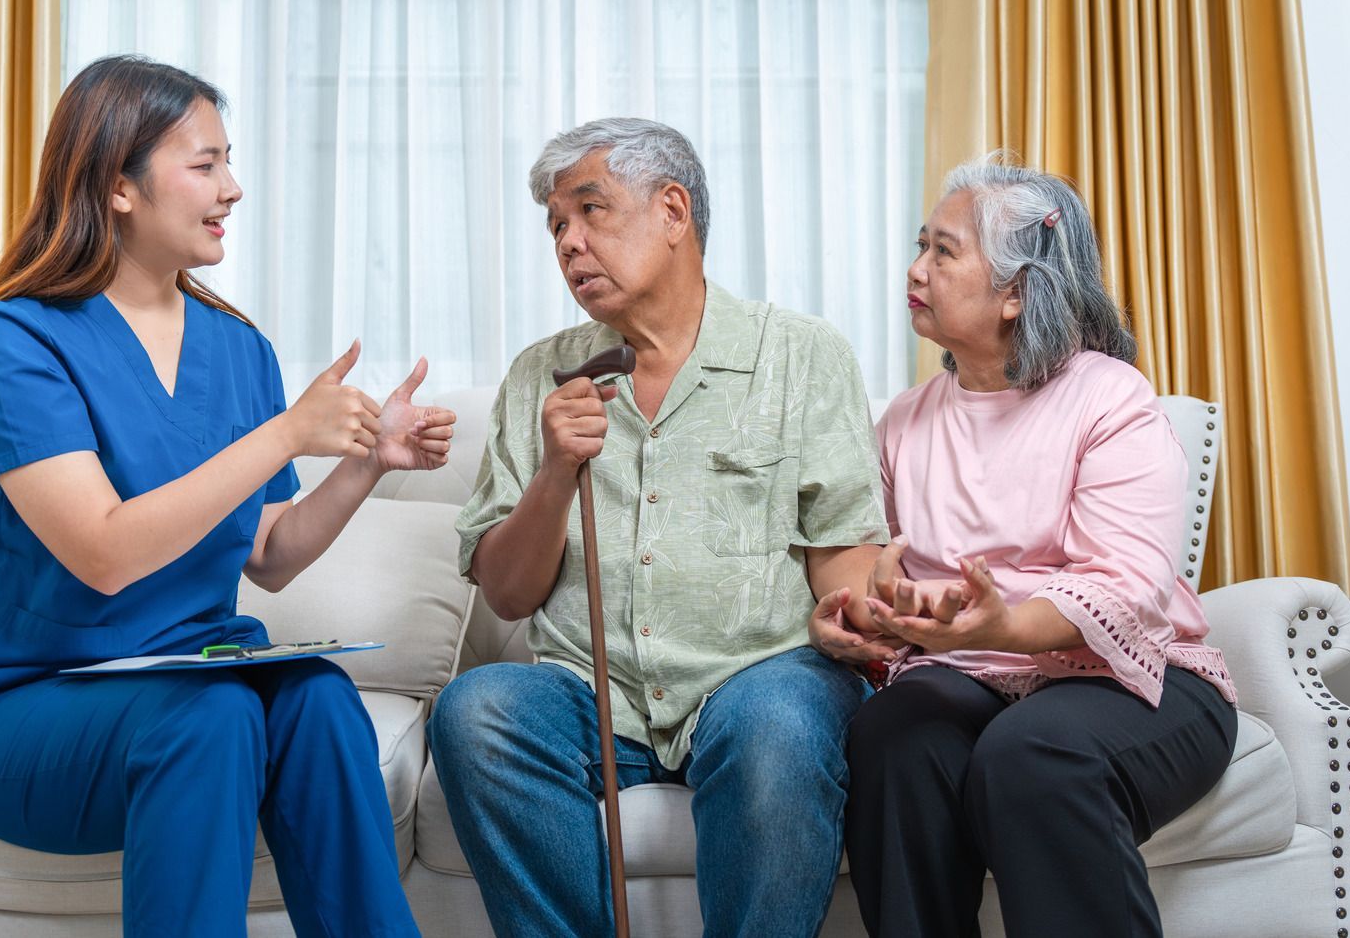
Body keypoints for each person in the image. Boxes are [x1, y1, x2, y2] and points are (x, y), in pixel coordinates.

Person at [0, 55, 455, 938]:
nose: (232, 187)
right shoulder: (14, 339)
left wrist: (367, 463)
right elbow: (105, 551)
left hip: (195, 684)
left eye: (228, 160)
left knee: (316, 697)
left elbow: (269, 555)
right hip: (20, 705)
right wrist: (284, 434)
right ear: (117, 185)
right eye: (204, 163)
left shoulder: (237, 347)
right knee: (211, 714)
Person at [428, 118, 891, 937]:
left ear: (673, 211)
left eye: (590, 211)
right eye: (556, 227)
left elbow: (844, 566)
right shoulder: (543, 373)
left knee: (779, 723)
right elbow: (505, 593)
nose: (569, 243)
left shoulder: (802, 355)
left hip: (756, 677)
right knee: (478, 709)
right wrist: (554, 471)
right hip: (589, 695)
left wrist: (858, 619)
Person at [826, 155, 1238, 937]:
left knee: (1031, 751)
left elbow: (1127, 585)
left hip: (1135, 675)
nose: (916, 269)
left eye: (943, 251)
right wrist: (869, 615)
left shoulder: (1109, 395)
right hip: (971, 671)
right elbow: (878, 584)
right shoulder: (903, 424)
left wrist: (1002, 625)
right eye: (921, 246)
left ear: (1015, 291)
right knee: (891, 736)